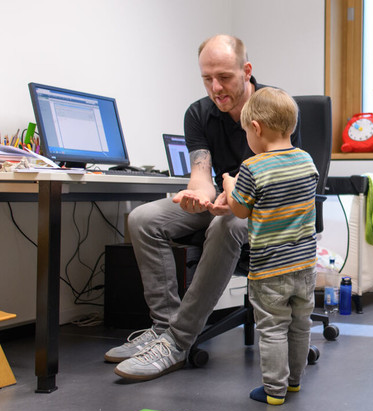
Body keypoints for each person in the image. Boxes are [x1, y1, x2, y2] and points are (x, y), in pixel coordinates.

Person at [106, 34, 300, 381]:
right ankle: (163, 327)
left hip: (264, 211)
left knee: (225, 226)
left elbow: (275, 181)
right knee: (142, 219)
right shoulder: (198, 113)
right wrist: (195, 196)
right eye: (207, 78)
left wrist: (234, 198)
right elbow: (201, 175)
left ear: (247, 70)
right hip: (223, 198)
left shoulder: (275, 107)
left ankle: (178, 342)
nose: (215, 88)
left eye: (224, 77)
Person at [222, 87, 318, 405]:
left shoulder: (253, 167)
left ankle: (273, 390)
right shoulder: (306, 161)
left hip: (269, 268)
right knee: (300, 324)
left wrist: (230, 185)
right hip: (304, 266)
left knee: (273, 327)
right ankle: (293, 382)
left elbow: (239, 210)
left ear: (257, 128)